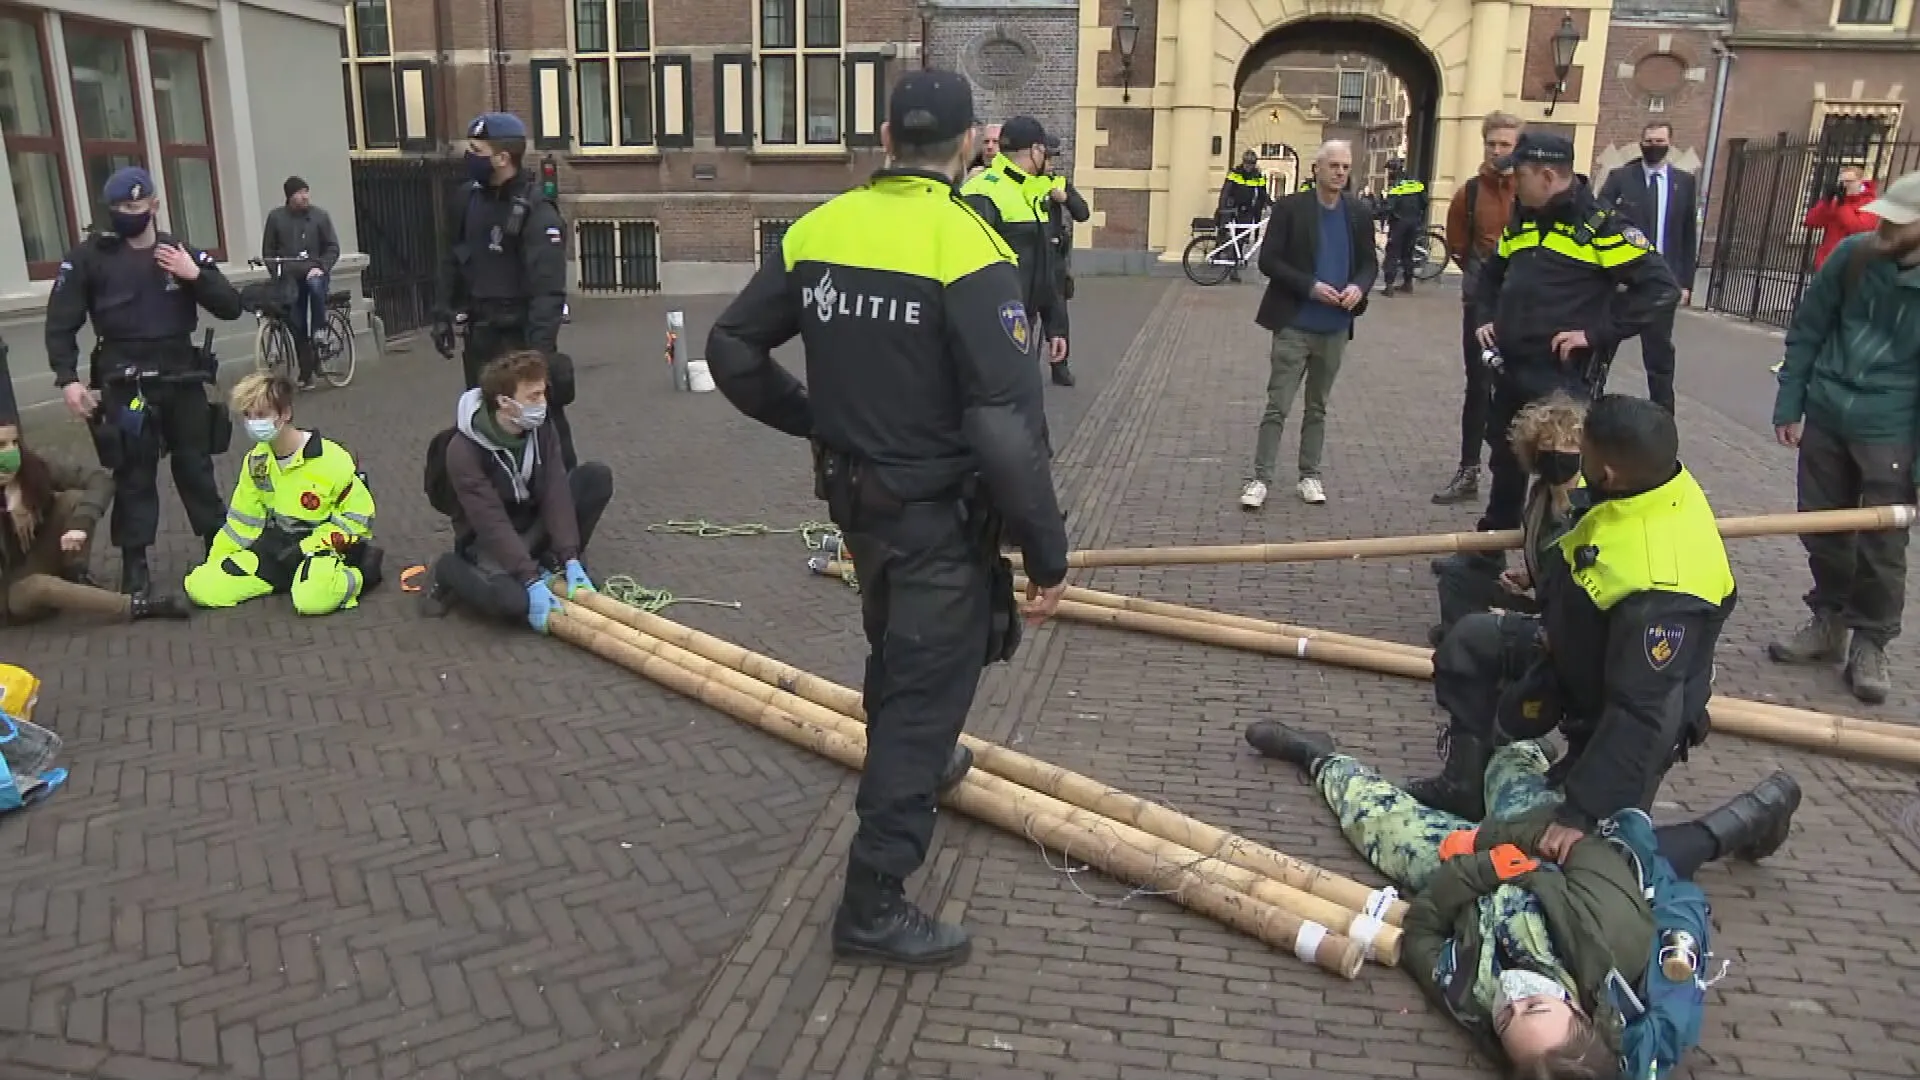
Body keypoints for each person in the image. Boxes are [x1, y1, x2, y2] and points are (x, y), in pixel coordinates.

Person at [703, 69, 1070, 970]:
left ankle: (925, 760)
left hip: (857, 503)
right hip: (936, 514)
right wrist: (1046, 552)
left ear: (885, 138)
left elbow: (732, 347)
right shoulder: (968, 246)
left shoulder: (819, 229)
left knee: (895, 639)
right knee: (924, 693)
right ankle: (873, 900)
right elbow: (1004, 424)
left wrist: (813, 418)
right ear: (969, 144)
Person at [1243, 720, 1801, 1076]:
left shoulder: (1469, 997)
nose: (1514, 996)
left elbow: (1422, 931)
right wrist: (1491, 840)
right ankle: (1535, 749)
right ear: (1579, 1011)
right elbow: (1584, 852)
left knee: (1383, 830)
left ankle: (1321, 759)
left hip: (1477, 873)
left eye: (1508, 1018)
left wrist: (1477, 867)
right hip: (1553, 845)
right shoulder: (1612, 945)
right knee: (1508, 765)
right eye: (1533, 1006)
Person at [1411, 395, 1735, 832]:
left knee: (1596, 850)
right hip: (1575, 655)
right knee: (1471, 641)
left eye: (1585, 453)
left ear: (1608, 472)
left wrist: (1581, 813)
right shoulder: (1648, 482)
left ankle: (1743, 821)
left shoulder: (1665, 588)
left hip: (1632, 706)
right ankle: (1463, 786)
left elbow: (1642, 712)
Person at [45, 166, 243, 599]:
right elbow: (60, 322)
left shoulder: (179, 252)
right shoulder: (89, 258)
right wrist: (68, 379)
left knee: (195, 466)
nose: (127, 213)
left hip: (181, 377)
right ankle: (135, 564)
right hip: (125, 382)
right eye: (119, 207)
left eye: (135, 205)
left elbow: (231, 306)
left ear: (154, 204)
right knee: (133, 474)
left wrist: (195, 275)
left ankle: (218, 547)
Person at [1473, 133, 1679, 536]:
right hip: (1513, 368)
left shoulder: (1601, 226)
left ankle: (1561, 557)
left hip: (1562, 376)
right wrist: (1486, 316)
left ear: (1548, 177)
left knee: (1560, 470)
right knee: (1505, 460)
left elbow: (1660, 290)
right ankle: (1490, 552)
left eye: (1520, 176)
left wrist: (1596, 334)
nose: (1513, 185)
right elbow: (1492, 274)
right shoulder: (1525, 218)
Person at [1767, 169, 1920, 706]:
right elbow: (1808, 329)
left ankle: (1871, 642)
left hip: (1891, 423)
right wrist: (1790, 403)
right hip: (1829, 409)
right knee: (1821, 523)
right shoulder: (1854, 256)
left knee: (1883, 545)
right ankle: (1828, 620)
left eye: (1898, 224)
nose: (1884, 230)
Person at [422, 350, 613, 631]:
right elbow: (490, 520)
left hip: (529, 519)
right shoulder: (463, 451)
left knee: (595, 477)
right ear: (504, 402)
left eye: (543, 393)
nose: (542, 403)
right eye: (533, 396)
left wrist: (569, 555)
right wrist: (529, 579)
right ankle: (447, 569)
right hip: (486, 536)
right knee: (512, 604)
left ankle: (551, 560)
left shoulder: (541, 428)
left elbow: (555, 490)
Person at [431, 112, 578, 471]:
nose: (469, 156)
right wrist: (442, 312)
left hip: (519, 337)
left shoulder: (536, 211)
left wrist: (537, 357)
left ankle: (564, 489)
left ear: (502, 158)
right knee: (484, 422)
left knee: (539, 426)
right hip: (481, 335)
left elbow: (548, 291)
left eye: (476, 150)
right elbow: (452, 257)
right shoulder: (466, 200)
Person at [1239, 139, 1377, 511]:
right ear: (1316, 169)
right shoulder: (1290, 208)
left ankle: (1309, 475)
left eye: (1345, 167)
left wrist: (1358, 287)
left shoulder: (1358, 213)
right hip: (1294, 324)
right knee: (1278, 405)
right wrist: (1310, 286)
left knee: (1318, 406)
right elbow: (1269, 261)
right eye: (1333, 166)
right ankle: (1261, 478)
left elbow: (1369, 263)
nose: (1340, 173)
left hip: (1335, 328)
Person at [183, 373, 382, 615]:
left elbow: (357, 520)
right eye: (247, 415)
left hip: (322, 549)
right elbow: (242, 523)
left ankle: (362, 574)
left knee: (312, 600)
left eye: (261, 415)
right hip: (278, 549)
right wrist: (216, 562)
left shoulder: (331, 459)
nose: (253, 423)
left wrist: (307, 547)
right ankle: (292, 580)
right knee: (200, 585)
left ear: (285, 413)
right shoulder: (257, 462)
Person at [0, 417, 189, 623]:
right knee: (40, 586)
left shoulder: (29, 469)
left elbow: (99, 480)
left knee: (71, 500)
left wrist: (81, 523)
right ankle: (137, 606)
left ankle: (75, 574)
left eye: (15, 443)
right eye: (1, 445)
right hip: (9, 596)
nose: (10, 452)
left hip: (31, 561)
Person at [1431, 394, 1585, 646]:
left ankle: (1462, 637)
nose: (1558, 452)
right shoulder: (1540, 495)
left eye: (1569, 444)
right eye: (1548, 444)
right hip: (1544, 601)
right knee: (1457, 577)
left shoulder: (1588, 505)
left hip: (1560, 618)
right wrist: (1528, 577)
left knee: (1480, 625)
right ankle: (1461, 635)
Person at [1433, 112, 1523, 506]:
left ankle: (1514, 472)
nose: (1497, 151)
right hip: (1482, 306)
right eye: (1492, 143)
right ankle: (1469, 469)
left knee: (1520, 387)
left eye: (1505, 144)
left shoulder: (1531, 191)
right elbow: (1458, 247)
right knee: (1479, 386)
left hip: (1524, 307)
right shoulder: (1468, 194)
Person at [960, 115, 1073, 387]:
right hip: (992, 327)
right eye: (1044, 151)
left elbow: (1044, 265)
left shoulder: (1033, 190)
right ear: (1035, 150)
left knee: (1023, 397)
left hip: (1024, 321)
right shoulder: (981, 191)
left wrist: (1055, 328)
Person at [1598, 122, 1699, 414]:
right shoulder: (1620, 178)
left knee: (1659, 354)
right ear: (1641, 143)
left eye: (1659, 141)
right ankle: (1590, 403)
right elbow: (1600, 220)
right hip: (1624, 281)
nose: (1654, 146)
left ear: (1669, 143)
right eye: (1649, 140)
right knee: (1604, 346)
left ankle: (1663, 414)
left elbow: (1687, 234)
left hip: (1662, 283)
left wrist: (1685, 282)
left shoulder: (1684, 182)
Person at [261, 176, 343, 389]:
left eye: (306, 191)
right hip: (290, 277)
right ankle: (306, 372)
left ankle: (319, 330)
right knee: (296, 323)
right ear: (290, 196)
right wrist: (277, 273)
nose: (305, 196)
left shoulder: (320, 217)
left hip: (314, 272)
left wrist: (321, 266)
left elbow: (332, 247)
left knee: (315, 286)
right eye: (300, 193)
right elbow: (269, 251)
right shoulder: (276, 218)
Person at [1803, 166, 1879, 271]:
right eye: (1842, 182)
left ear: (1860, 182)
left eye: (1849, 181)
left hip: (1850, 263)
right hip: (1827, 260)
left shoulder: (1869, 203)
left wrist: (1842, 206)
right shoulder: (1836, 202)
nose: (1845, 185)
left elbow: (1859, 229)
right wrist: (1825, 202)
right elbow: (1811, 221)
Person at [1216, 150, 1273, 283]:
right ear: (1243, 162)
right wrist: (1222, 209)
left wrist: (1272, 204)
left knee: (1241, 239)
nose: (1249, 166)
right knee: (1230, 237)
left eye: (1252, 163)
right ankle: (1226, 261)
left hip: (1247, 211)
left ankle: (1235, 263)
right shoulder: (1235, 173)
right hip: (1233, 209)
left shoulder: (1257, 176)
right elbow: (1225, 192)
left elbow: (1263, 193)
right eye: (1247, 163)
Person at [1379, 158, 1428, 296]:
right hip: (1414, 223)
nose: (1388, 173)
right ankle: (1408, 283)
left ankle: (1389, 286)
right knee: (1408, 253)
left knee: (1392, 253)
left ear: (1394, 170)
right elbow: (1425, 202)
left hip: (1399, 223)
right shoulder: (1416, 183)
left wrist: (1379, 212)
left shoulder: (1396, 186)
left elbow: (1389, 207)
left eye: (1389, 170)